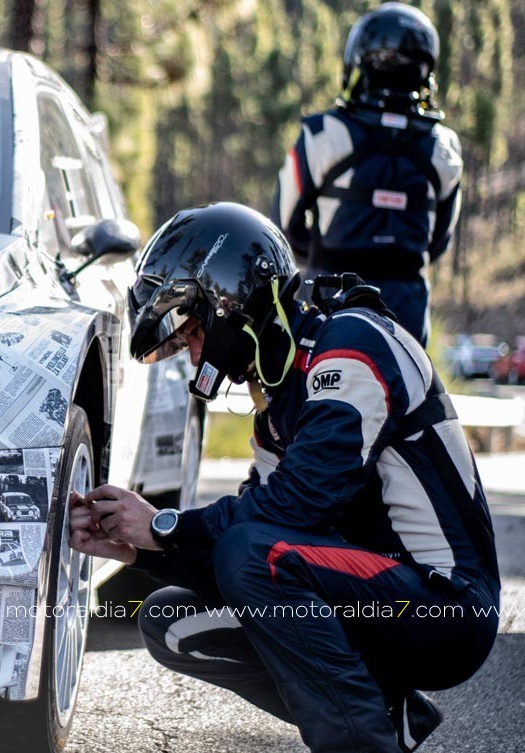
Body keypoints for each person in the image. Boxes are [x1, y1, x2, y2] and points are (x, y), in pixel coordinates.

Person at [71, 202, 499, 753]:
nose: (190, 351)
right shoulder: (277, 402)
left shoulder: (354, 343)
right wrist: (136, 547)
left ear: (229, 302)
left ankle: (359, 743)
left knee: (252, 553)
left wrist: (165, 526)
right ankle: (386, 716)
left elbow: (295, 508)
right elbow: (252, 536)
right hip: (375, 596)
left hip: (446, 608)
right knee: (170, 618)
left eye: (191, 331)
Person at [271, 2, 462, 347]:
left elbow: (285, 225)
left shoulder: (321, 133)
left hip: (328, 304)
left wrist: (323, 255)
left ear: (358, 64)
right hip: (406, 313)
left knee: (318, 396)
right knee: (404, 397)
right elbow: (438, 242)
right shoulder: (445, 146)